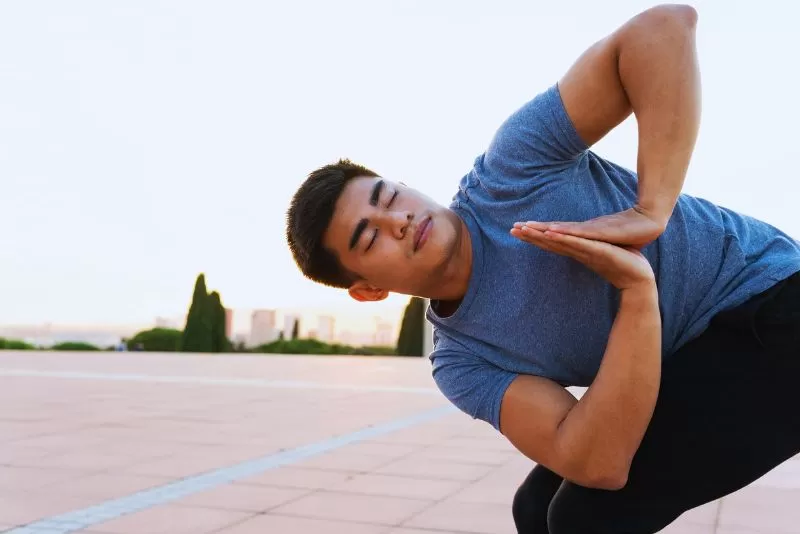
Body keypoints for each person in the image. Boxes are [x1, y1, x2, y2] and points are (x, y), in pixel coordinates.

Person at [285, 4, 800, 533]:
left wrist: (653, 208)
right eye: (370, 236)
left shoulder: (511, 171)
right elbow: (596, 462)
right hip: (688, 354)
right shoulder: (462, 360)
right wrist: (636, 295)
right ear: (368, 290)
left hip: (772, 302)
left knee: (582, 522)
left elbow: (666, 27)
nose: (398, 221)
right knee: (535, 511)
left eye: (389, 196)